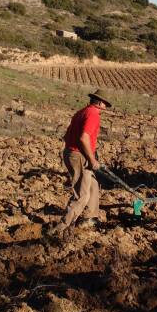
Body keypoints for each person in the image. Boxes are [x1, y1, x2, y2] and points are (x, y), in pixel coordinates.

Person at [49, 89, 112, 237]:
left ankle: (90, 218)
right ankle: (61, 228)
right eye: (105, 104)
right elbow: (84, 138)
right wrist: (91, 159)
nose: (106, 107)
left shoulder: (81, 112)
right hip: (79, 155)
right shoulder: (93, 115)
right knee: (82, 195)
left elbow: (67, 135)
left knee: (93, 185)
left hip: (72, 153)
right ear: (100, 102)